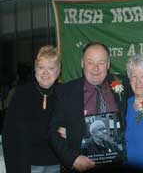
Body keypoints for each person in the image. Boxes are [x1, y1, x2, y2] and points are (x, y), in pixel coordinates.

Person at [49, 42, 131, 172]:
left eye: (101, 62)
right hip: (80, 167)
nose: (95, 68)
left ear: (108, 65)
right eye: (90, 62)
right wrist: (73, 159)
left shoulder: (124, 84)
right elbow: (53, 132)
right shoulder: (65, 92)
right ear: (82, 63)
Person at [2, 45, 61, 173]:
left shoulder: (65, 94)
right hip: (27, 165)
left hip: (59, 164)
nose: (45, 72)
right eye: (41, 67)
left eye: (51, 68)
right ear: (35, 70)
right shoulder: (21, 94)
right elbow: (9, 136)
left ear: (58, 72)